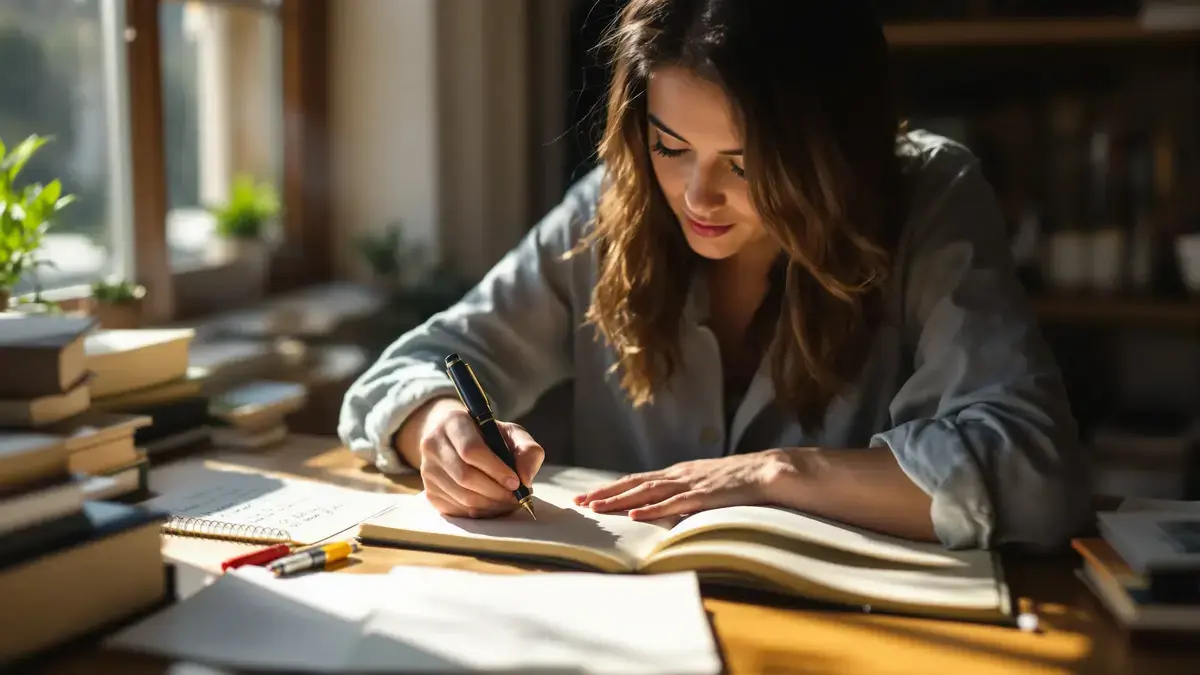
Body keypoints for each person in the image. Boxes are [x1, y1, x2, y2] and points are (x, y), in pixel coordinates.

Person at [339, 0, 1090, 551]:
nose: (697, 198)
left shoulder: (926, 196)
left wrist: (776, 473)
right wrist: (438, 428)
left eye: (745, 162)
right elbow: (407, 369)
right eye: (671, 147)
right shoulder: (613, 204)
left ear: (829, 150)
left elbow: (1037, 471)